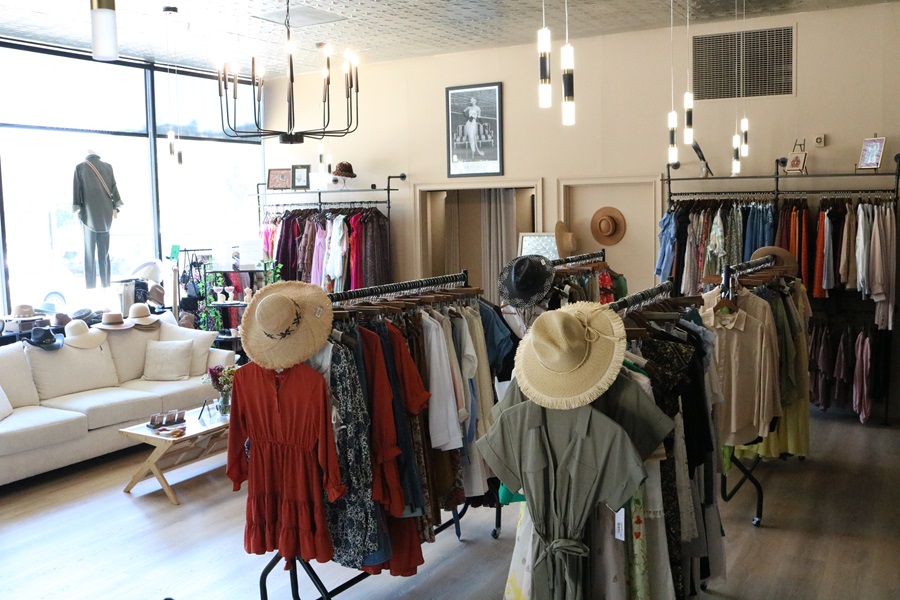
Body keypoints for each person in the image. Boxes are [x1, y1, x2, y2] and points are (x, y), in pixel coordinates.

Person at [73, 150, 123, 288]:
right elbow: (114, 189)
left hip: (89, 216)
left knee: (89, 254)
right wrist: (116, 205)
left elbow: (76, 191)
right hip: (106, 215)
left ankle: (91, 286)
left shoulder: (80, 168)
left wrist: (76, 207)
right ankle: (106, 284)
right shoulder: (108, 167)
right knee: (104, 254)